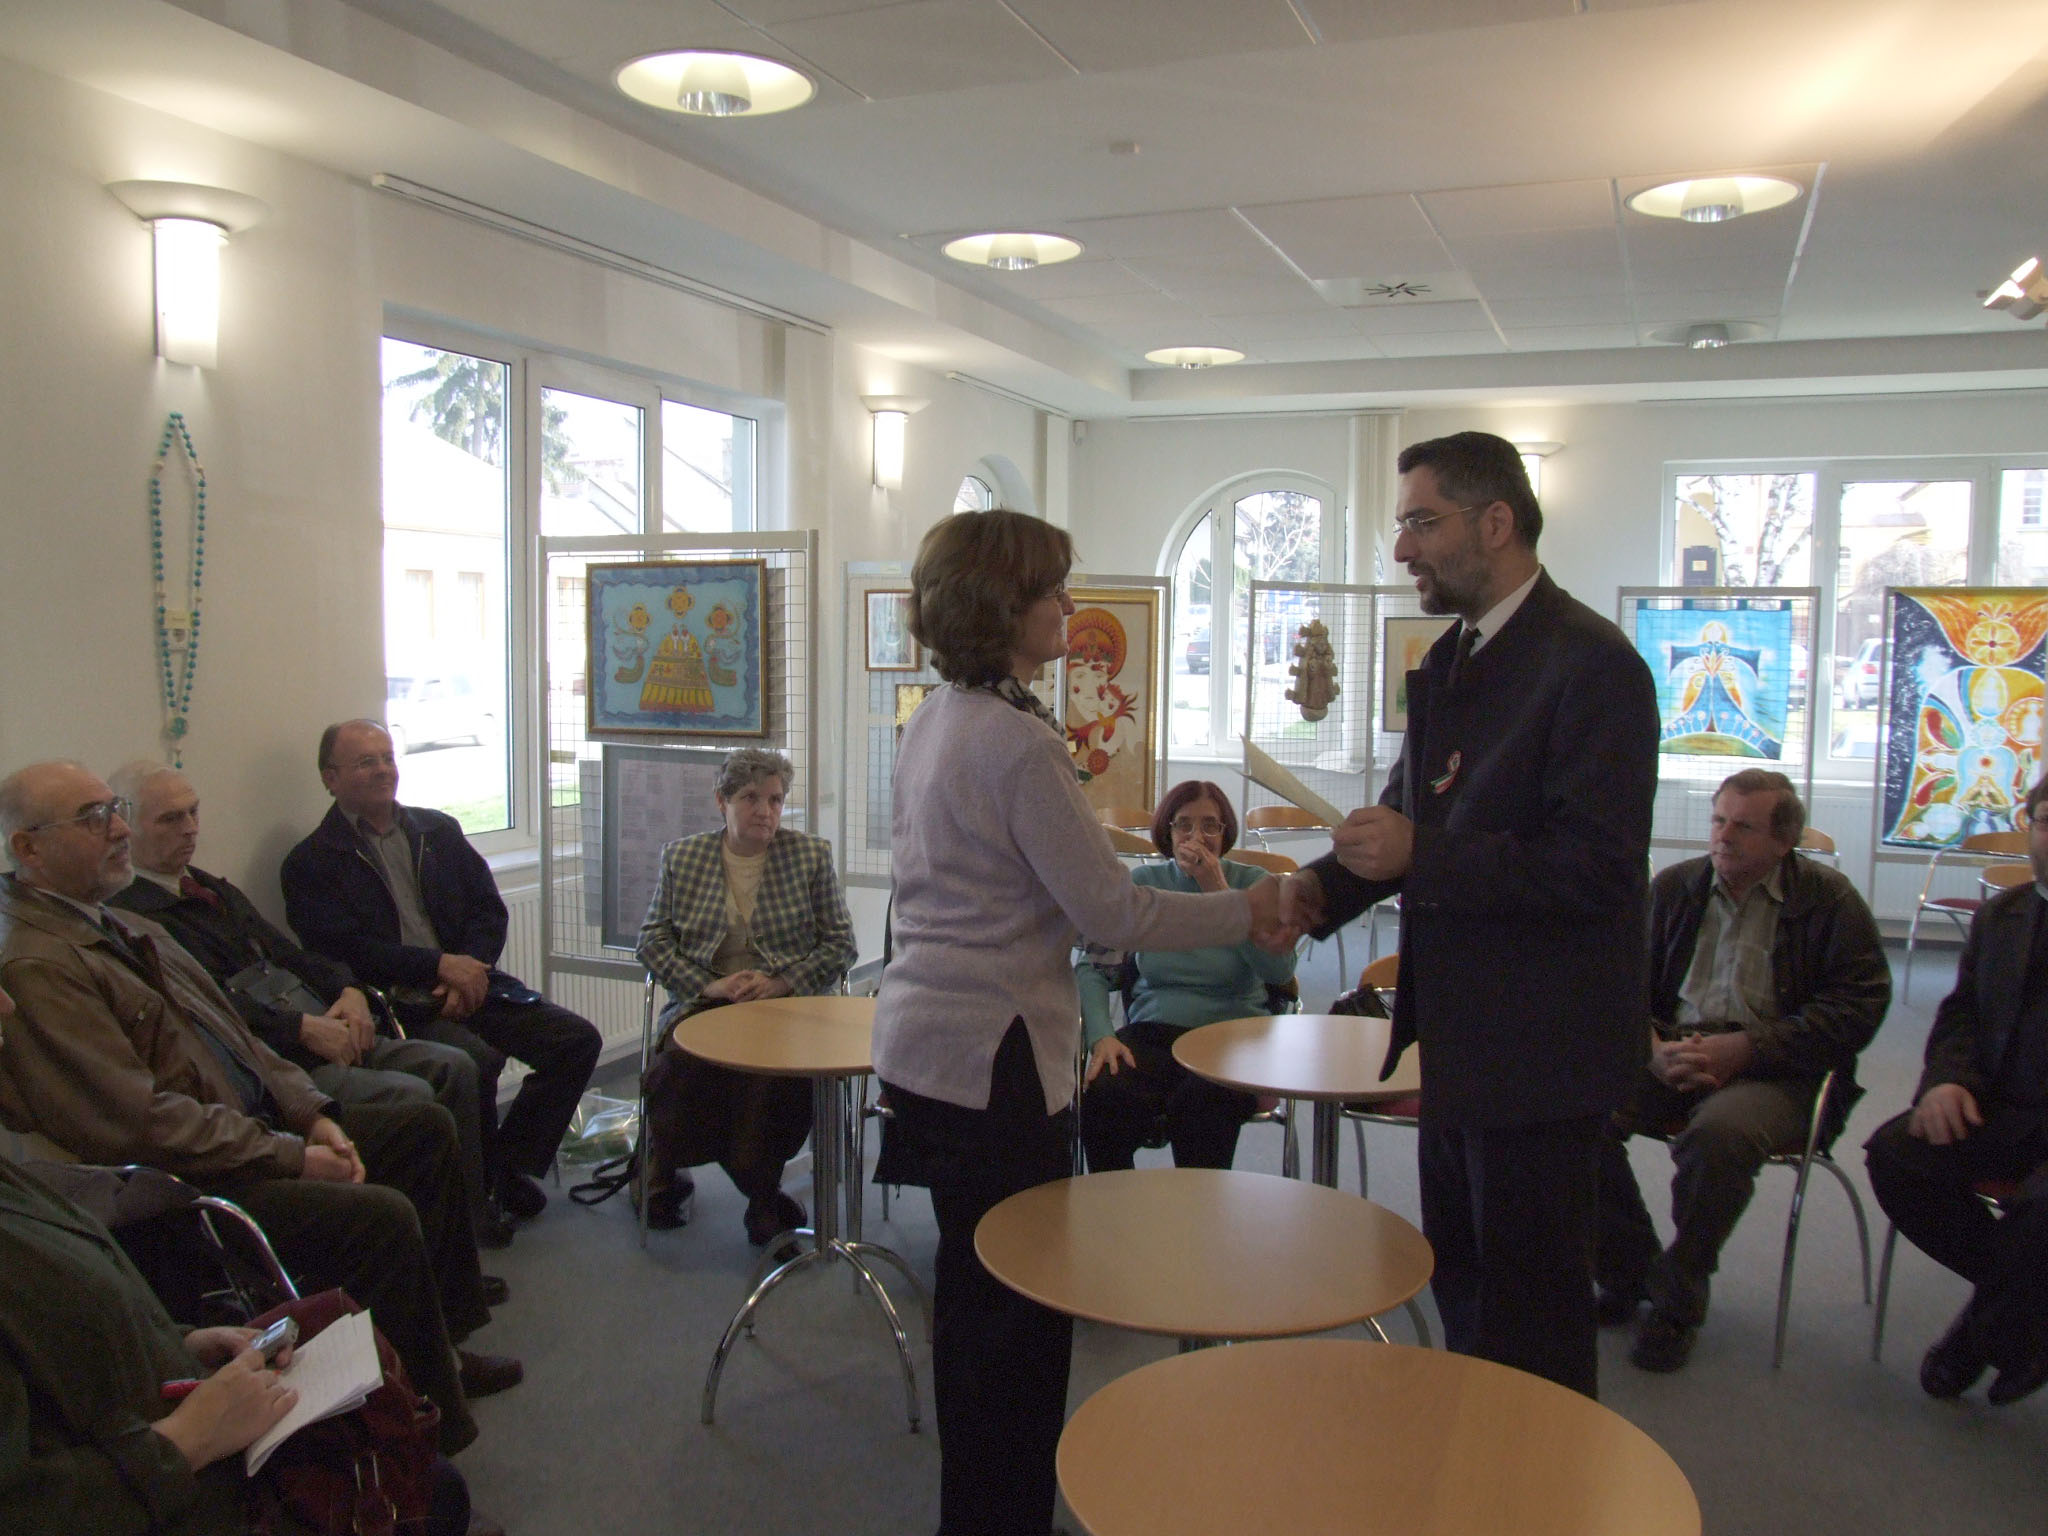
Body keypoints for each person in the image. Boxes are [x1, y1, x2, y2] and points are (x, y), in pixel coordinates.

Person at [872, 509, 1284, 1536]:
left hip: (927, 1042)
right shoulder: (1016, 742)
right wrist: (1255, 907)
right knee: (1017, 1307)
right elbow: (1114, 915)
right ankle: (1004, 1517)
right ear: (999, 603)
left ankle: (980, 1513)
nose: (1067, 603)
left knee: (974, 1292)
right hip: (996, 1057)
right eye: (1052, 588)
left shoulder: (937, 716)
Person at [1280, 430, 1659, 1398]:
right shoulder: (1455, 656)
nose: (1401, 549)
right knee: (1465, 1288)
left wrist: (1423, 853)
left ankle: (1538, 1476)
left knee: (1532, 1322)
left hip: (1544, 1052)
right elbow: (1406, 821)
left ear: (1495, 523)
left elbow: (1599, 871)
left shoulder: (1594, 666)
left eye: (1420, 522)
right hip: (1457, 1039)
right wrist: (1313, 894)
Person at [0, 759, 515, 1450]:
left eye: (115, 810)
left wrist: (312, 1114)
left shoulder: (124, 923)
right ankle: (428, 1433)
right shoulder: (37, 963)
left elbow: (240, 1039)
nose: (118, 829)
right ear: (28, 848)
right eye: (94, 819)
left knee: (421, 1125)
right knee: (382, 1216)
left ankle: (440, 1349)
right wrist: (293, 1155)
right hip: (192, 1180)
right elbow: (141, 1123)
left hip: (254, 1127)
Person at [0, 977, 489, 1535]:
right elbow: (24, 1504)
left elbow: (243, 1039)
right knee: (432, 1490)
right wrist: (186, 1439)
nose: (9, 1002)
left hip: (165, 1414)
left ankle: (437, 1389)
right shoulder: (46, 966)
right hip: (162, 1476)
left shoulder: (138, 939)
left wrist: (183, 1341)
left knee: (418, 1136)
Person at [106, 761, 509, 1250]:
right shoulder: (133, 919)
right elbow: (211, 1011)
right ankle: (413, 1243)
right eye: (170, 819)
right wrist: (301, 1028)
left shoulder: (211, 889)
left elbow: (291, 954)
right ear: (125, 825)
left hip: (331, 1020)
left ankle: (466, 1228)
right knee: (414, 1098)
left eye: (193, 812)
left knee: (455, 1066)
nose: (190, 828)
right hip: (281, 1060)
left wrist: (349, 991)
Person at [1595, 769, 1889, 1372]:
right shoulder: (1675, 888)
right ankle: (1633, 1270)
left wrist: (1748, 1048)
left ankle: (1679, 1298)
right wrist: (1651, 1046)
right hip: (1673, 1050)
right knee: (1574, 1114)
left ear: (1784, 840)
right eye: (1718, 820)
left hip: (1778, 1070)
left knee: (1719, 1136)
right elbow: (1616, 983)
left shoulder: (1830, 902)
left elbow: (1857, 1008)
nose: (1723, 837)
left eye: (1743, 827)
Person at [281, 720, 601, 1226]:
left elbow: (488, 911)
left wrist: (468, 968)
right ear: (330, 778)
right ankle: (475, 1201)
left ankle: (505, 1169)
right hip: (398, 1002)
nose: (383, 770)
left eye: (387, 757)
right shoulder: (310, 863)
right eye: (366, 762)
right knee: (474, 1062)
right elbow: (344, 950)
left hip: (470, 983)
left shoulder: (437, 831)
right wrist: (437, 966)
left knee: (576, 1041)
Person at [1865, 771, 2048, 1406]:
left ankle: (1979, 1335)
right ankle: (2026, 1317)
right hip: (2001, 1107)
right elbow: (1962, 1015)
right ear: (2030, 827)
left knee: (2041, 1212)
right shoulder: (2002, 916)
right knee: (1896, 1156)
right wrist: (1946, 1081)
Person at [635, 746, 856, 1239]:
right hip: (705, 1005)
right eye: (751, 798)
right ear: (722, 801)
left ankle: (760, 1198)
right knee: (677, 1073)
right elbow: (651, 942)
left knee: (770, 1083)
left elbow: (842, 944)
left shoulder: (809, 856)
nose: (765, 811)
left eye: (775, 800)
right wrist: (710, 984)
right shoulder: (683, 857)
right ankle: (754, 1189)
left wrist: (781, 982)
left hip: (787, 1009)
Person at [1076, 779, 1296, 1172]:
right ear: (1169, 832)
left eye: (1210, 825)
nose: (1197, 836)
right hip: (1155, 1030)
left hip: (1232, 1037)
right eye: (1184, 825)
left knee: (1202, 1104)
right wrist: (1101, 1035)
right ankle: (1110, 1203)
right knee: (1105, 1093)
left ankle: (1199, 1207)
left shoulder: (1254, 885)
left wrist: (1221, 895)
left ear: (1225, 832)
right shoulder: (1145, 886)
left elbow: (1279, 971)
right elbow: (1093, 967)